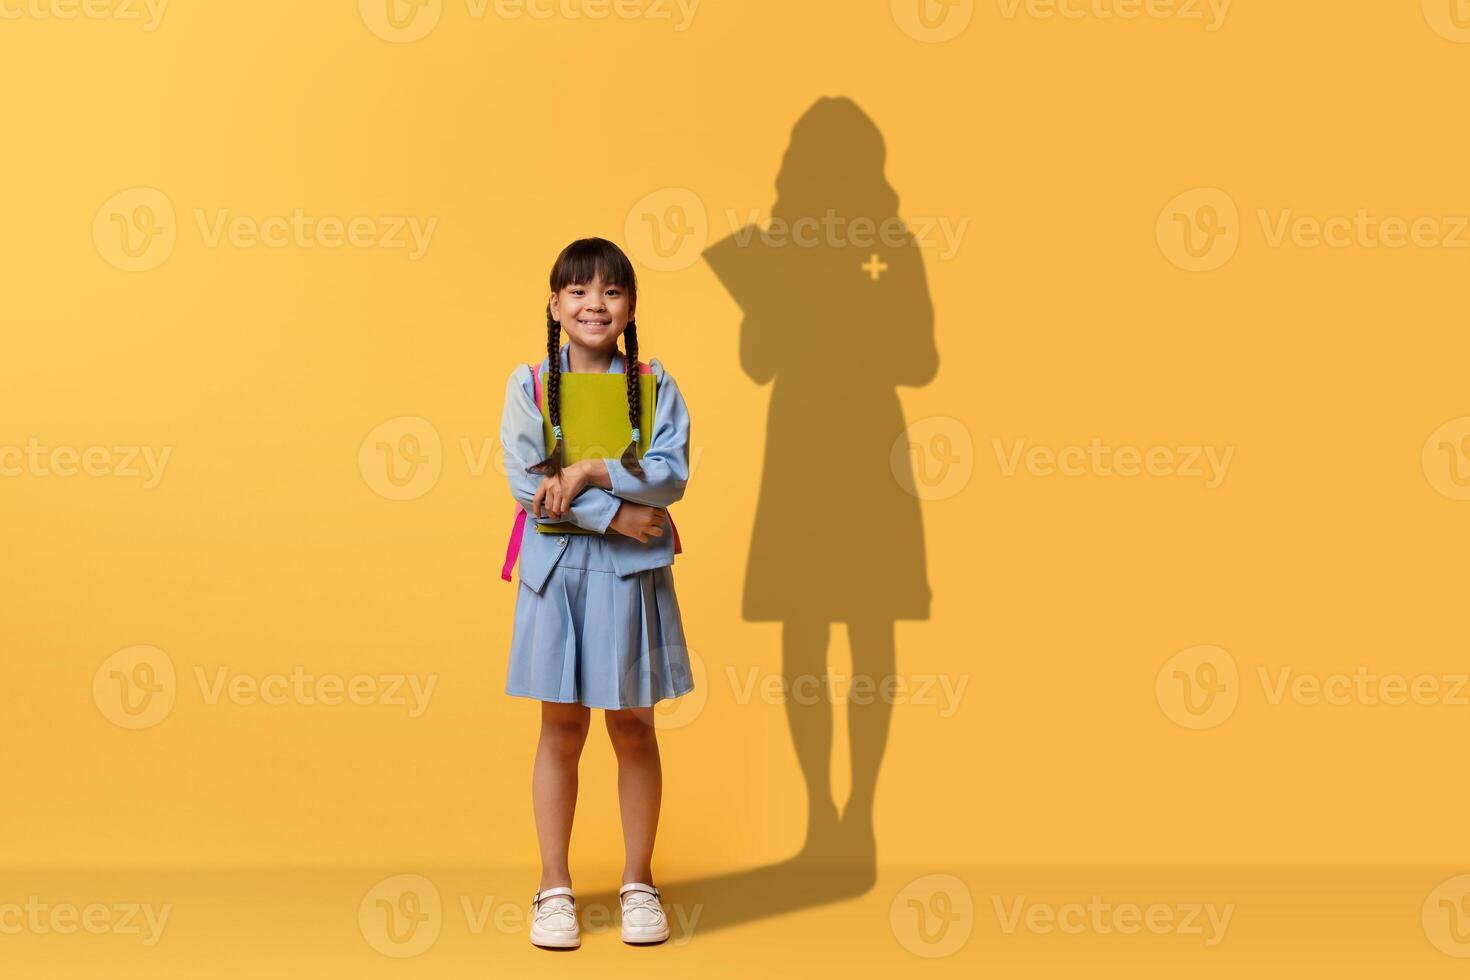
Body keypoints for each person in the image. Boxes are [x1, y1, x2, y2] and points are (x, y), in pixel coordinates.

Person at [499, 237, 694, 948]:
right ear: (554, 305)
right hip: (556, 575)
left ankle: (638, 882)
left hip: (630, 578)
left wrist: (587, 473)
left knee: (634, 727)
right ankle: (554, 888)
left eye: (611, 292)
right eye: (578, 292)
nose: (594, 304)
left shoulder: (654, 383)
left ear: (631, 306)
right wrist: (617, 514)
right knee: (561, 728)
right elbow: (528, 485)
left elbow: (671, 473)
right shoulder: (530, 384)